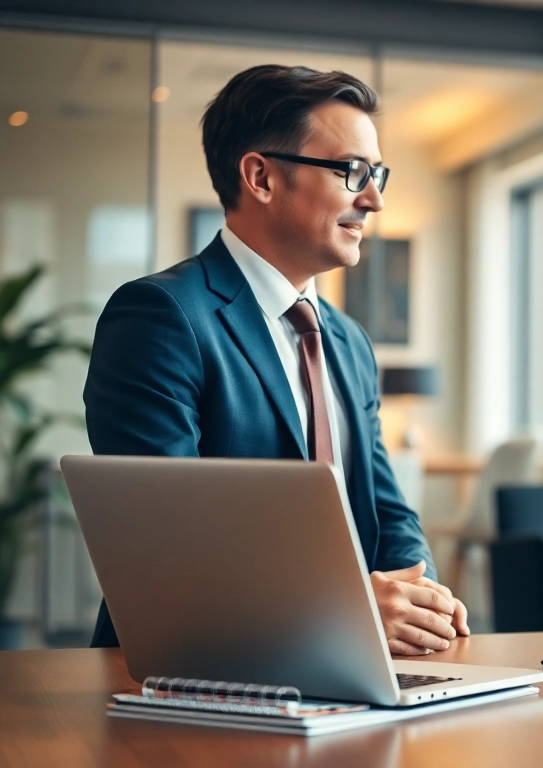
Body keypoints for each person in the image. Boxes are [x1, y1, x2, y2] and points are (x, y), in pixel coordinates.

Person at [84, 65, 468, 657]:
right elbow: (163, 545)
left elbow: (387, 511)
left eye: (377, 173)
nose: (374, 199)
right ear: (261, 176)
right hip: (192, 672)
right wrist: (352, 612)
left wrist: (427, 605)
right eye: (352, 171)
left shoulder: (349, 342)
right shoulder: (160, 316)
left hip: (353, 677)